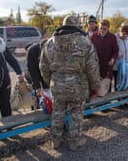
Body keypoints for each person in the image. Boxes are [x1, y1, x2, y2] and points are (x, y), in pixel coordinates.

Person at [39, 14, 100, 151]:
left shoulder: (49, 43)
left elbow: (43, 67)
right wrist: (95, 87)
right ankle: (74, 142)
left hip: (57, 86)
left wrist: (51, 82)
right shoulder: (85, 42)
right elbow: (93, 68)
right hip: (78, 87)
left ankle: (56, 141)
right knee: (76, 114)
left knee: (57, 113)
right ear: (77, 25)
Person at [90, 19, 119, 92]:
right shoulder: (93, 36)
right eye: (100, 28)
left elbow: (116, 51)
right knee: (96, 89)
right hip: (96, 67)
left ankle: (108, 102)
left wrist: (113, 59)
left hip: (107, 67)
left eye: (104, 29)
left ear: (108, 28)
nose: (102, 30)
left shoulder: (112, 37)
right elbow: (89, 50)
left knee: (106, 89)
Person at [25, 39, 49, 107]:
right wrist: (37, 87)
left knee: (48, 90)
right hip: (34, 71)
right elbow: (32, 70)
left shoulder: (52, 50)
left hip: (46, 72)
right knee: (37, 92)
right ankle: (37, 106)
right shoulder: (32, 51)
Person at [113, 22, 128, 90]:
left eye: (126, 34)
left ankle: (124, 96)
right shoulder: (115, 38)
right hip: (117, 65)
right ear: (120, 31)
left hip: (126, 65)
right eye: (123, 34)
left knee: (125, 81)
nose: (124, 36)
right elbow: (111, 50)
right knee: (117, 82)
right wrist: (118, 54)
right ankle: (117, 97)